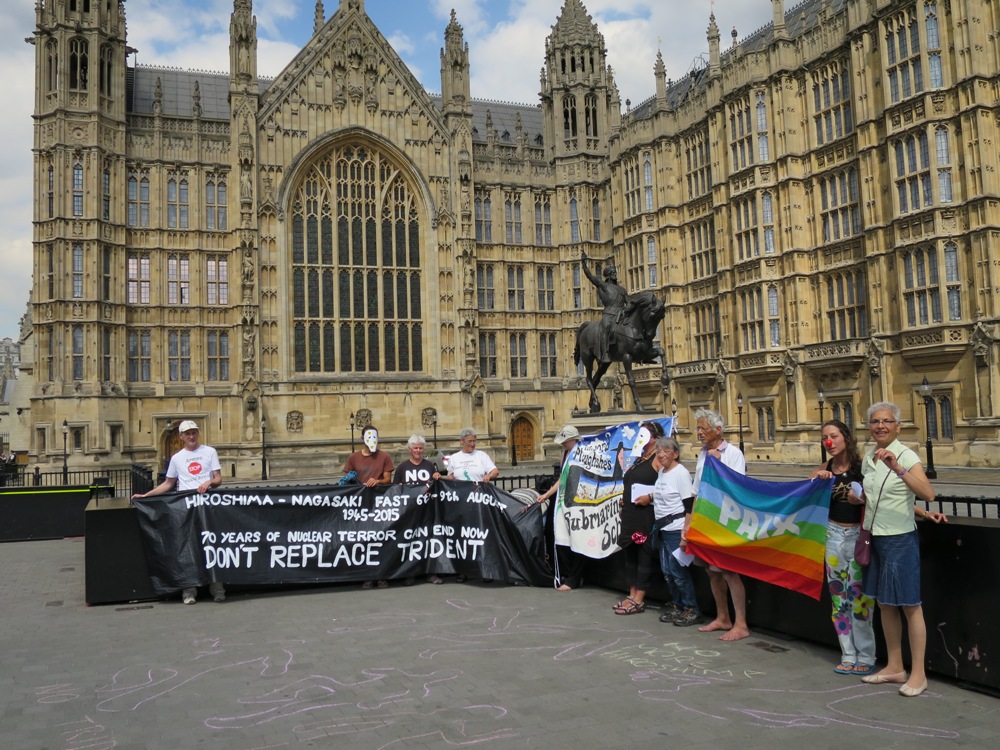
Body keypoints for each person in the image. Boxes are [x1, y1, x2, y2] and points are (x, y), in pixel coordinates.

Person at [856, 402, 947, 697]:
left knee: (909, 605)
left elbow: (928, 492)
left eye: (886, 421)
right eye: (874, 422)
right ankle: (895, 666)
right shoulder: (869, 457)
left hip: (899, 539)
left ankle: (918, 674)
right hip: (876, 538)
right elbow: (892, 498)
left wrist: (896, 467)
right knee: (885, 604)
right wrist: (921, 513)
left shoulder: (906, 455)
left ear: (898, 426)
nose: (880, 426)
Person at [808, 420, 877, 675]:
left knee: (860, 598)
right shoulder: (824, 468)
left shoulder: (863, 467)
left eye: (834, 436)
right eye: (825, 437)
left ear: (846, 438)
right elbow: (805, 494)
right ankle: (848, 653)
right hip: (833, 536)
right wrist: (817, 478)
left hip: (858, 537)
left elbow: (879, 497)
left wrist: (861, 500)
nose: (829, 442)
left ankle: (866, 654)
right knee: (839, 598)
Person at [132, 420, 224, 605]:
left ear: (198, 433)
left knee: (211, 546)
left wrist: (209, 483)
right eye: (187, 434)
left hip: (206, 506)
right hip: (185, 507)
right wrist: (146, 495)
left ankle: (217, 588)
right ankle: (189, 590)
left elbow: (218, 478)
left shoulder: (209, 452)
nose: (191, 436)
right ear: (181, 436)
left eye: (194, 433)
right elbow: (168, 484)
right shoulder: (177, 458)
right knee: (186, 548)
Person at [692, 408, 750, 641]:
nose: (699, 433)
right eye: (697, 428)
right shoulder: (702, 454)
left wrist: (719, 467)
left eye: (703, 428)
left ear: (718, 430)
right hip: (706, 521)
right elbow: (697, 491)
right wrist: (691, 523)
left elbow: (737, 488)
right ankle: (723, 617)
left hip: (726, 521)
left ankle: (741, 624)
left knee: (729, 572)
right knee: (711, 572)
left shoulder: (733, 454)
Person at [612, 420, 664, 615]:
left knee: (644, 553)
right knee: (630, 553)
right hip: (630, 513)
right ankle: (631, 594)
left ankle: (640, 598)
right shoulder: (639, 457)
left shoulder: (658, 458)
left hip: (646, 513)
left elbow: (667, 485)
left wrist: (650, 497)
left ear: (654, 439)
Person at [651, 436, 700, 627]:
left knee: (678, 573)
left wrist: (685, 532)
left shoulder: (680, 473)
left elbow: (689, 504)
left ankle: (691, 608)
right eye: (659, 451)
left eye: (666, 451)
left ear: (676, 454)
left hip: (675, 528)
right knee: (667, 572)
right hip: (662, 528)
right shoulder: (662, 472)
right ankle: (677, 606)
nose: (661, 454)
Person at [533, 424, 585, 591]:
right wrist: (547, 494)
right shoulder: (565, 454)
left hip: (578, 501)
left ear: (574, 440)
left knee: (576, 538)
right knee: (558, 535)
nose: (563, 444)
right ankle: (567, 573)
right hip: (563, 499)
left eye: (565, 441)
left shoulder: (582, 453)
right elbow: (562, 479)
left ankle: (574, 578)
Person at [445, 428, 499, 582]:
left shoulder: (481, 456)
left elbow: (495, 471)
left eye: (475, 441)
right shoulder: (454, 458)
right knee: (463, 536)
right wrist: (440, 478)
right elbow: (451, 477)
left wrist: (489, 475)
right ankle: (464, 570)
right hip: (461, 503)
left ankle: (485, 570)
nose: (473, 444)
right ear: (461, 442)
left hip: (480, 501)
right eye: (470, 441)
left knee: (482, 535)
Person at [344, 425, 394, 590]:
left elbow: (388, 479)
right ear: (362, 439)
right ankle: (366, 575)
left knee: (381, 540)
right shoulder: (353, 457)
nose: (372, 441)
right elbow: (346, 478)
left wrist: (377, 481)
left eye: (375, 437)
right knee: (363, 540)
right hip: (360, 505)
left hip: (380, 504)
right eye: (369, 437)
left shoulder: (384, 456)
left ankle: (381, 576)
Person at [393, 434, 443, 585]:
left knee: (428, 541)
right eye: (415, 448)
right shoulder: (402, 467)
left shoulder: (429, 465)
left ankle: (430, 572)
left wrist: (437, 477)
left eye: (421, 448)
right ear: (410, 449)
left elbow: (434, 485)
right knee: (411, 542)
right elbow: (395, 489)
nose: (418, 450)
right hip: (409, 512)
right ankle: (410, 573)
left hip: (427, 510)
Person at [581, 250, 632, 364]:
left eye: (615, 272)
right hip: (609, 314)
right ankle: (605, 353)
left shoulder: (622, 290)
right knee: (606, 327)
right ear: (608, 275)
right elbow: (590, 276)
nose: (615, 273)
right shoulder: (603, 286)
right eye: (612, 272)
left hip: (621, 314)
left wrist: (628, 308)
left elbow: (628, 302)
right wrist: (584, 263)